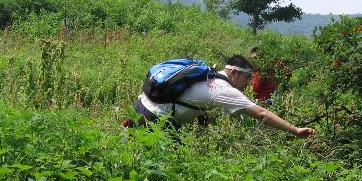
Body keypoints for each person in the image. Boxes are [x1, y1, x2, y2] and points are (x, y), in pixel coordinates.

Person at [127, 54, 315, 138]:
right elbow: (261, 113)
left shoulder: (210, 74)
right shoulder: (223, 89)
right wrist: (294, 130)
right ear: (233, 72)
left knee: (126, 151)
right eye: (247, 77)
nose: (249, 83)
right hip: (156, 121)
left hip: (140, 106)